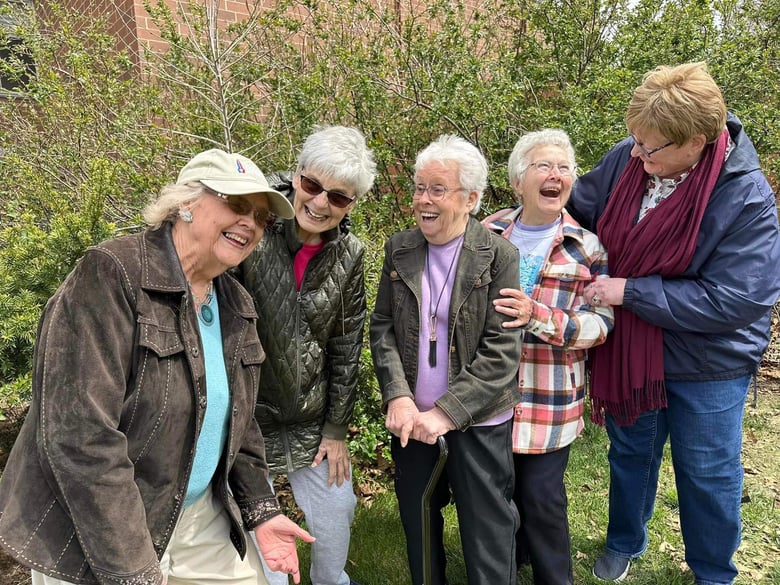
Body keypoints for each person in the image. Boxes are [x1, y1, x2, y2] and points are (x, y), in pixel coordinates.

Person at [0, 149, 315, 585]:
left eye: (261, 218)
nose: (250, 223)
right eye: (237, 205)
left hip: (198, 515)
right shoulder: (112, 275)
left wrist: (261, 510)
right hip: (100, 528)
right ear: (185, 203)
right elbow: (80, 436)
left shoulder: (235, 303)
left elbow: (238, 422)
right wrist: (133, 570)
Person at [567, 62, 780, 584]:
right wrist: (510, 224)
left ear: (699, 141)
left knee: (707, 470)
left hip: (710, 358)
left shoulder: (746, 196)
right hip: (631, 348)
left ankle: (712, 571)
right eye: (634, 139)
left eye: (650, 146)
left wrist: (629, 290)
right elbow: (574, 211)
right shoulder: (627, 159)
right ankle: (625, 541)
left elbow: (733, 300)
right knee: (631, 452)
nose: (636, 152)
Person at [369, 134, 524, 585]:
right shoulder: (399, 248)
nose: (422, 200)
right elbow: (383, 327)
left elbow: (502, 351)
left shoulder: (498, 256)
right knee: (418, 522)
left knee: (488, 529)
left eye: (437, 189)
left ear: (471, 198)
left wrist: (447, 412)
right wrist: (397, 396)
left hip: (478, 420)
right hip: (412, 420)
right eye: (419, 188)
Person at [236, 125, 376, 585]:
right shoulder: (250, 227)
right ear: (296, 177)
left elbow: (346, 343)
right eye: (313, 186)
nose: (319, 203)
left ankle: (330, 579)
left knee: (338, 509)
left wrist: (336, 428)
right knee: (257, 536)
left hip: (309, 417)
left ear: (351, 204)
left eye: (338, 197)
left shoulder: (350, 255)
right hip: (246, 417)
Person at [482, 128, 614, 585]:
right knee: (498, 494)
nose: (555, 175)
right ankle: (506, 569)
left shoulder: (587, 246)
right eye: (543, 166)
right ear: (519, 180)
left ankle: (555, 577)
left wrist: (539, 316)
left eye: (564, 168)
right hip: (488, 396)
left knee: (541, 497)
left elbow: (602, 325)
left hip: (549, 398)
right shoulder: (487, 231)